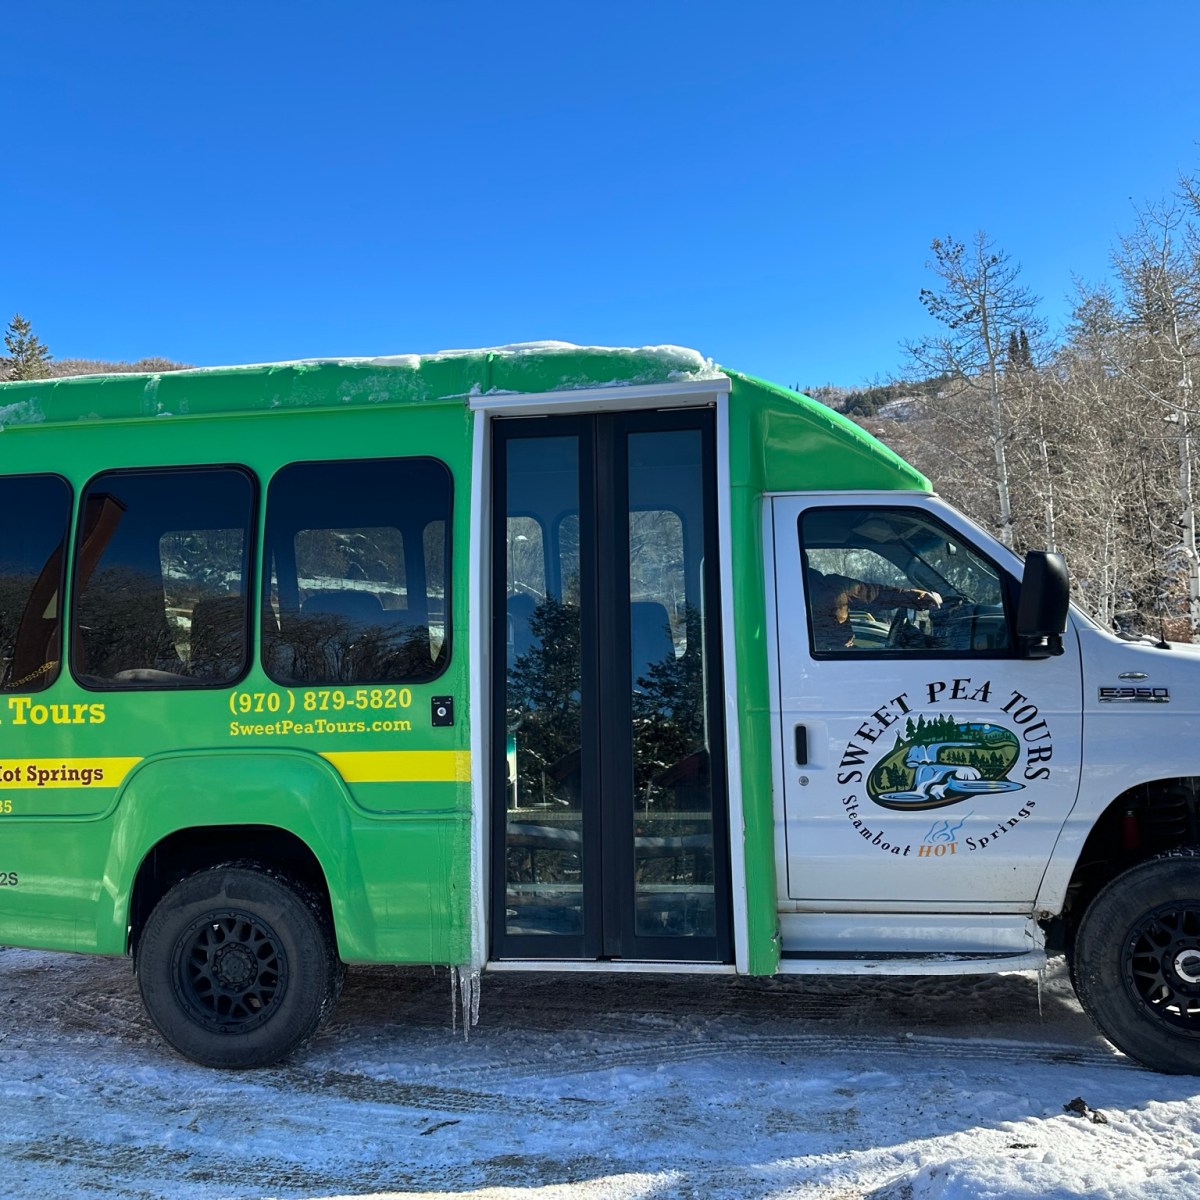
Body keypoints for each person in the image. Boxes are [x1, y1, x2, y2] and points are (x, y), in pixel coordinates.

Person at [806, 566, 942, 650]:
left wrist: (916, 597)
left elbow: (876, 594)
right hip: (819, 661)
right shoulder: (786, 592)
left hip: (841, 655)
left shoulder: (832, 586)